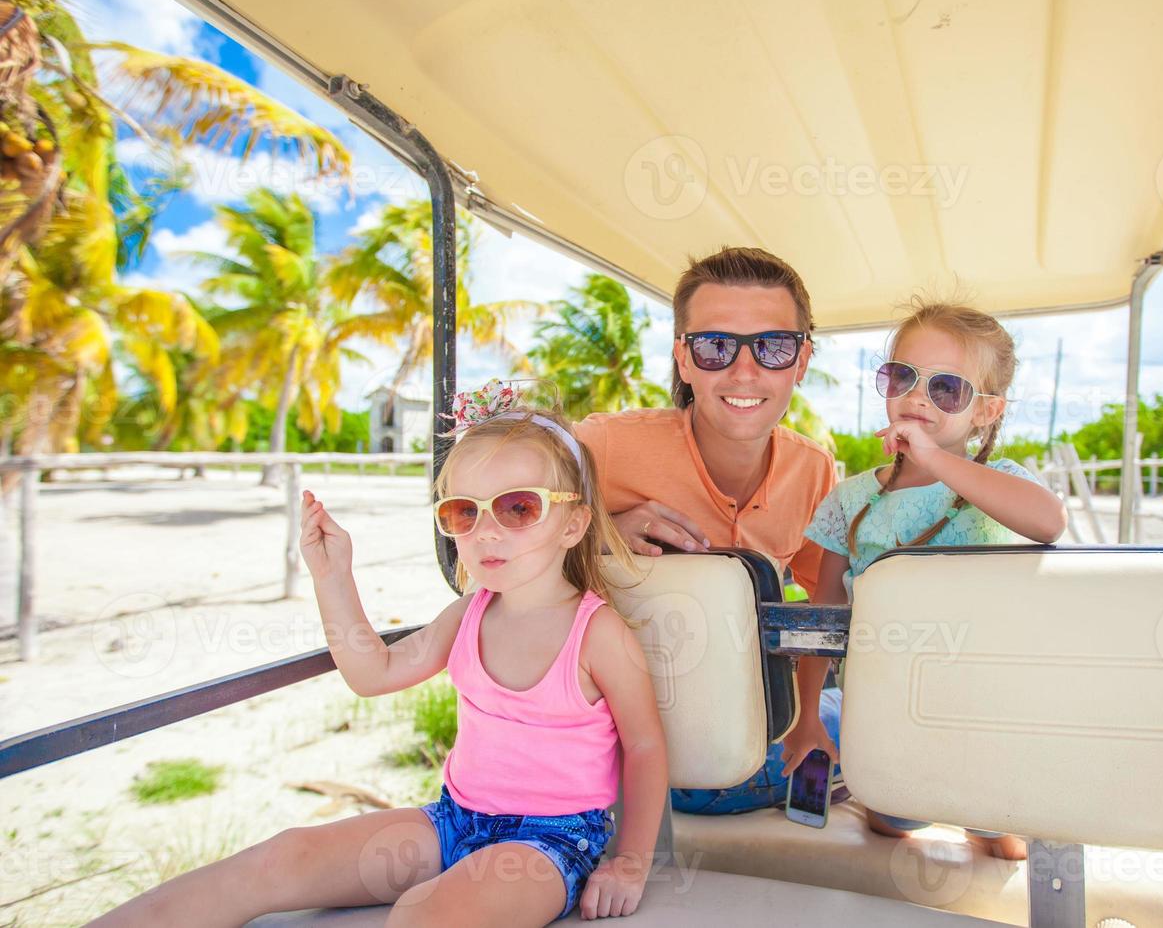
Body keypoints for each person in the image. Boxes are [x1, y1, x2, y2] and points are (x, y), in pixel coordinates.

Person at [90, 384, 668, 927]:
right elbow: (373, 673)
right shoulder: (467, 615)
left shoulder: (598, 634)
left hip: (555, 843)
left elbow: (644, 745)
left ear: (574, 523)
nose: (487, 532)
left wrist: (631, 862)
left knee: (427, 915)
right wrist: (333, 576)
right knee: (281, 858)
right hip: (451, 821)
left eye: (518, 508)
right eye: (463, 511)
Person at [779, 300, 1067, 860]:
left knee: (1003, 839)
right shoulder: (852, 499)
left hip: (986, 716)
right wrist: (807, 715)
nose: (917, 397)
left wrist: (936, 460)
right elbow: (824, 615)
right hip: (889, 712)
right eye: (902, 376)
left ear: (986, 412)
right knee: (891, 823)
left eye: (948, 390)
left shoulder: (996, 484)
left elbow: (1048, 521)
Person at [575, 246, 840, 813]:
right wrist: (600, 532)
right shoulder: (602, 446)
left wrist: (808, 718)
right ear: (684, 359)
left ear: (802, 361)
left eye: (772, 348)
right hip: (617, 760)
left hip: (759, 724)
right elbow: (485, 532)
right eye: (717, 346)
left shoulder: (814, 469)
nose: (745, 372)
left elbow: (826, 599)